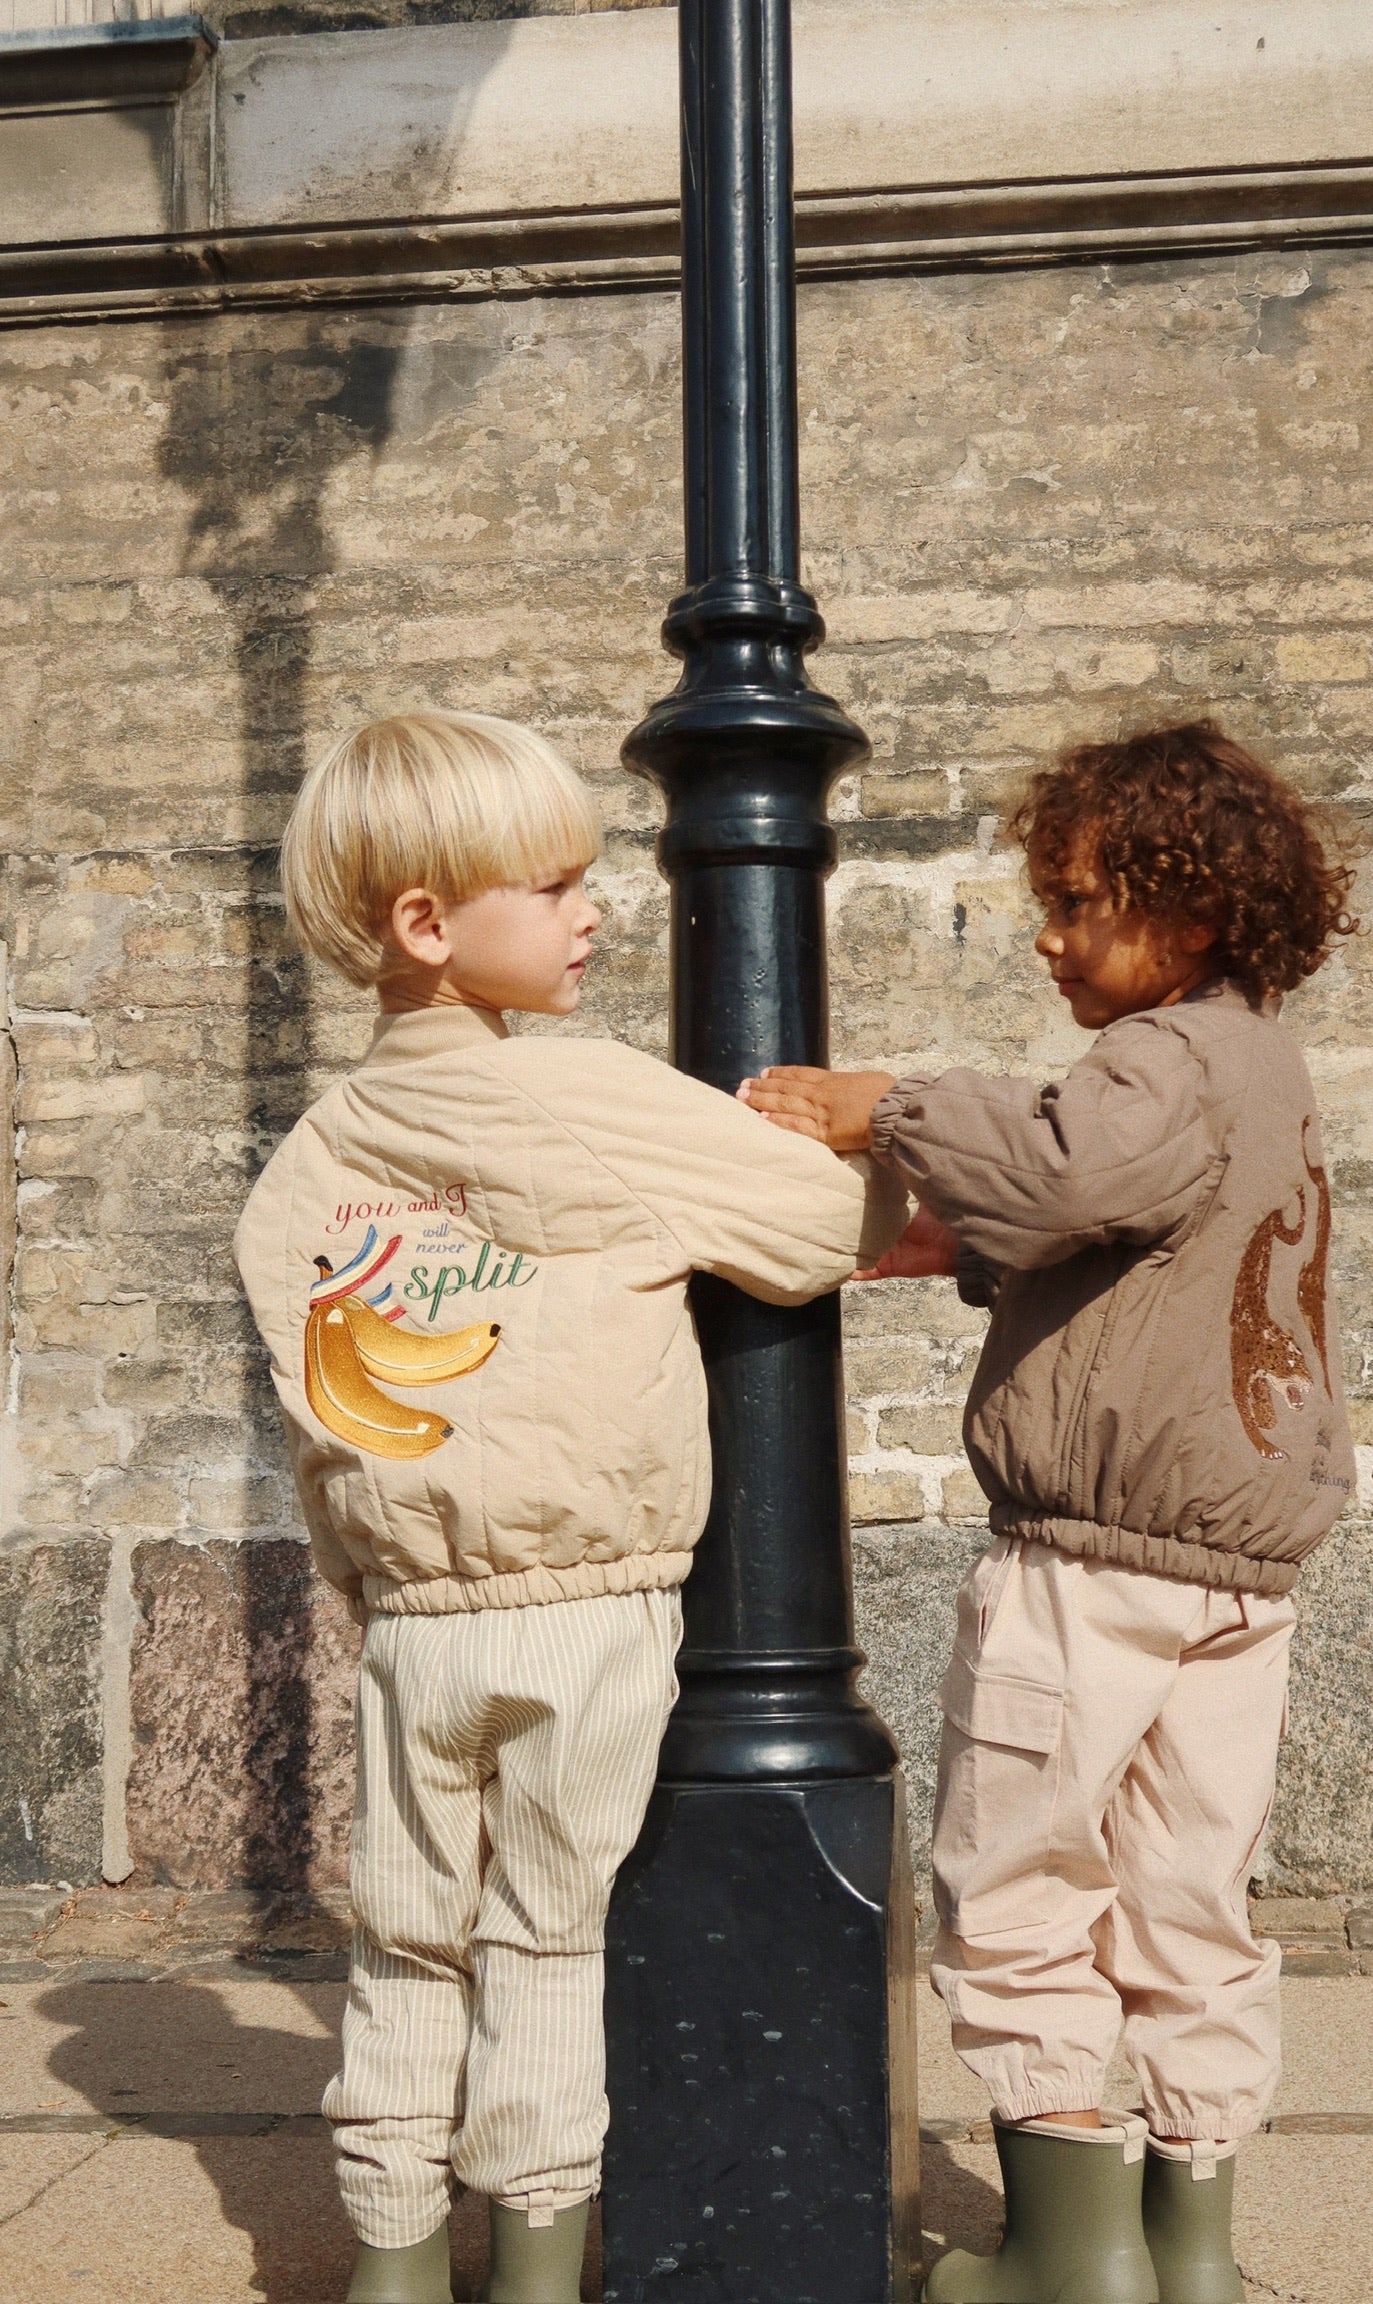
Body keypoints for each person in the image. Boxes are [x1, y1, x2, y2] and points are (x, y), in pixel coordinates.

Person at [234, 710, 906, 2304]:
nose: (592, 910)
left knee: (400, 1942)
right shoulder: (594, 1102)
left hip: (410, 1626)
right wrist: (813, 1131)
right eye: (554, 884)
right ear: (428, 924)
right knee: (545, 1946)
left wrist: (385, 1581)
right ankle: (535, 2267)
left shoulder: (306, 1174)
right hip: (594, 1604)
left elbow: (327, 1426)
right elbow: (819, 1227)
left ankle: (391, 2269)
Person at [743, 721, 1359, 2304]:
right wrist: (954, 1253)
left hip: (1087, 1571)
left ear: (1193, 913)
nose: (1050, 934)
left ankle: (1069, 2265)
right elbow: (1131, 1248)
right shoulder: (1264, 1069)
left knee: (1018, 1882)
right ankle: (1190, 2251)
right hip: (1234, 1582)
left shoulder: (1154, 1060)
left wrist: (889, 1106)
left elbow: (1075, 1178)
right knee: (1191, 1903)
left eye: (1082, 901)